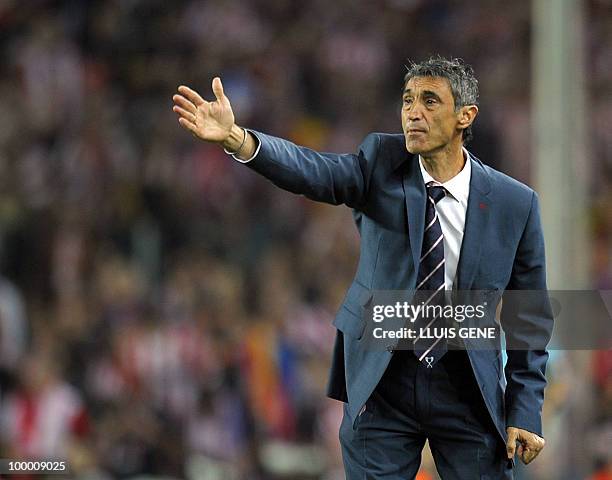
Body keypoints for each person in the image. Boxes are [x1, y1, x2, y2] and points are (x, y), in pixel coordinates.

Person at [172, 56, 553, 479]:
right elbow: (314, 171)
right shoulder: (380, 161)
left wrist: (525, 408)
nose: (413, 112)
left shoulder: (514, 203)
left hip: (465, 382)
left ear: (466, 116)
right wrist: (239, 140)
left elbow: (529, 315)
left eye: (430, 101)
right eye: (408, 100)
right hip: (383, 377)